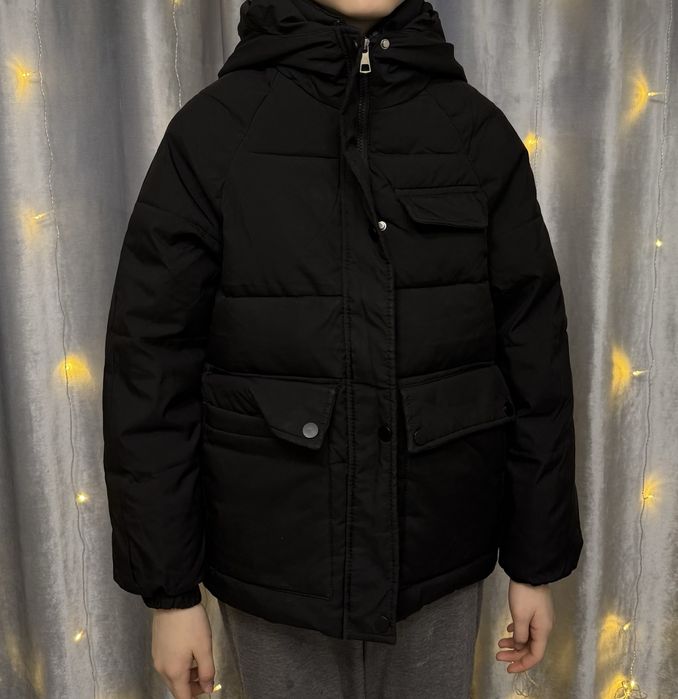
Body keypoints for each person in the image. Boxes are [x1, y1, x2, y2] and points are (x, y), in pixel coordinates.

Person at [101, 0, 584, 697]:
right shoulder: (215, 133)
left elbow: (535, 358)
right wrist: (170, 594)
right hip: (274, 564)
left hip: (439, 555)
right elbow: (150, 367)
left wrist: (535, 563)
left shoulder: (474, 133)